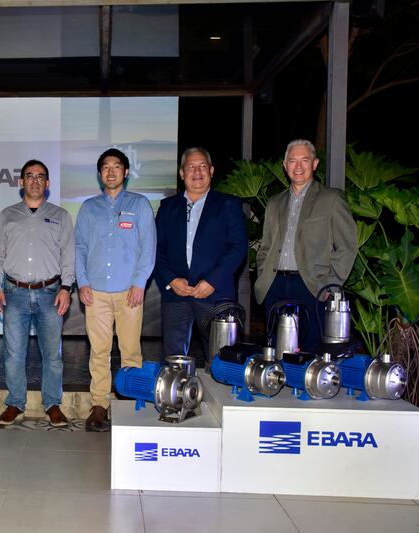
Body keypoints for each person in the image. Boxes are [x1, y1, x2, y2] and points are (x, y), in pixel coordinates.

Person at [0, 160, 75, 428]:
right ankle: (15, 402)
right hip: (14, 294)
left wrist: (66, 288)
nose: (35, 180)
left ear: (47, 183)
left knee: (53, 355)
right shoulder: (7, 215)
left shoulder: (61, 216)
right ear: (21, 182)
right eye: (30, 175)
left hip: (51, 294)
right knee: (13, 354)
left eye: (40, 176)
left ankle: (53, 404)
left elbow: (68, 256)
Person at [75, 148, 156, 431]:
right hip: (95, 292)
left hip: (129, 292)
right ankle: (99, 405)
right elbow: (79, 247)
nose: (111, 171)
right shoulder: (89, 208)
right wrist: (82, 282)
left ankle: (132, 401)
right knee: (99, 352)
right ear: (100, 174)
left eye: (117, 166)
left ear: (126, 172)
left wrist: (140, 282)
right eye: (106, 167)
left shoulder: (140, 204)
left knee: (130, 351)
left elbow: (148, 247)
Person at [255, 139, 357, 352]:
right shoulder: (274, 202)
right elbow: (266, 246)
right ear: (285, 165)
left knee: (311, 352)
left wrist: (331, 284)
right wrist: (263, 275)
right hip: (274, 285)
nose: (298, 166)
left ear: (315, 163)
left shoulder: (331, 199)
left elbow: (347, 246)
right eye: (293, 161)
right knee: (277, 351)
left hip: (312, 286)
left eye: (305, 160)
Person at [154, 147, 248, 367]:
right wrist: (171, 280)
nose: (197, 172)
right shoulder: (167, 207)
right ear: (181, 173)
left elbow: (238, 247)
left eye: (202, 166)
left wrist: (212, 281)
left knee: (221, 361)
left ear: (211, 170)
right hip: (176, 295)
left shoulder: (228, 204)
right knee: (173, 361)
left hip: (215, 294)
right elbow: (156, 249)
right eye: (191, 167)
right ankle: (176, 389)